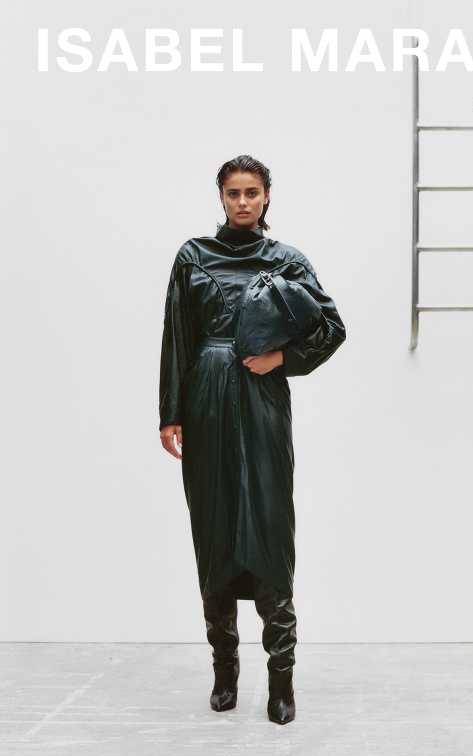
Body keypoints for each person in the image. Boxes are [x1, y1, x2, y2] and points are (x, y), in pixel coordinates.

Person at [158, 155, 346, 725]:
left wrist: (282, 358)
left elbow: (331, 327)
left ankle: (281, 681)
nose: (243, 201)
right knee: (214, 524)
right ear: (220, 196)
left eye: (253, 192)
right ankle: (225, 672)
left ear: (267, 197)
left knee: (268, 522)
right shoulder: (193, 256)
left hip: (262, 402)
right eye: (234, 192)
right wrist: (171, 413)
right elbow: (177, 334)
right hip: (206, 399)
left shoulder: (288, 260)